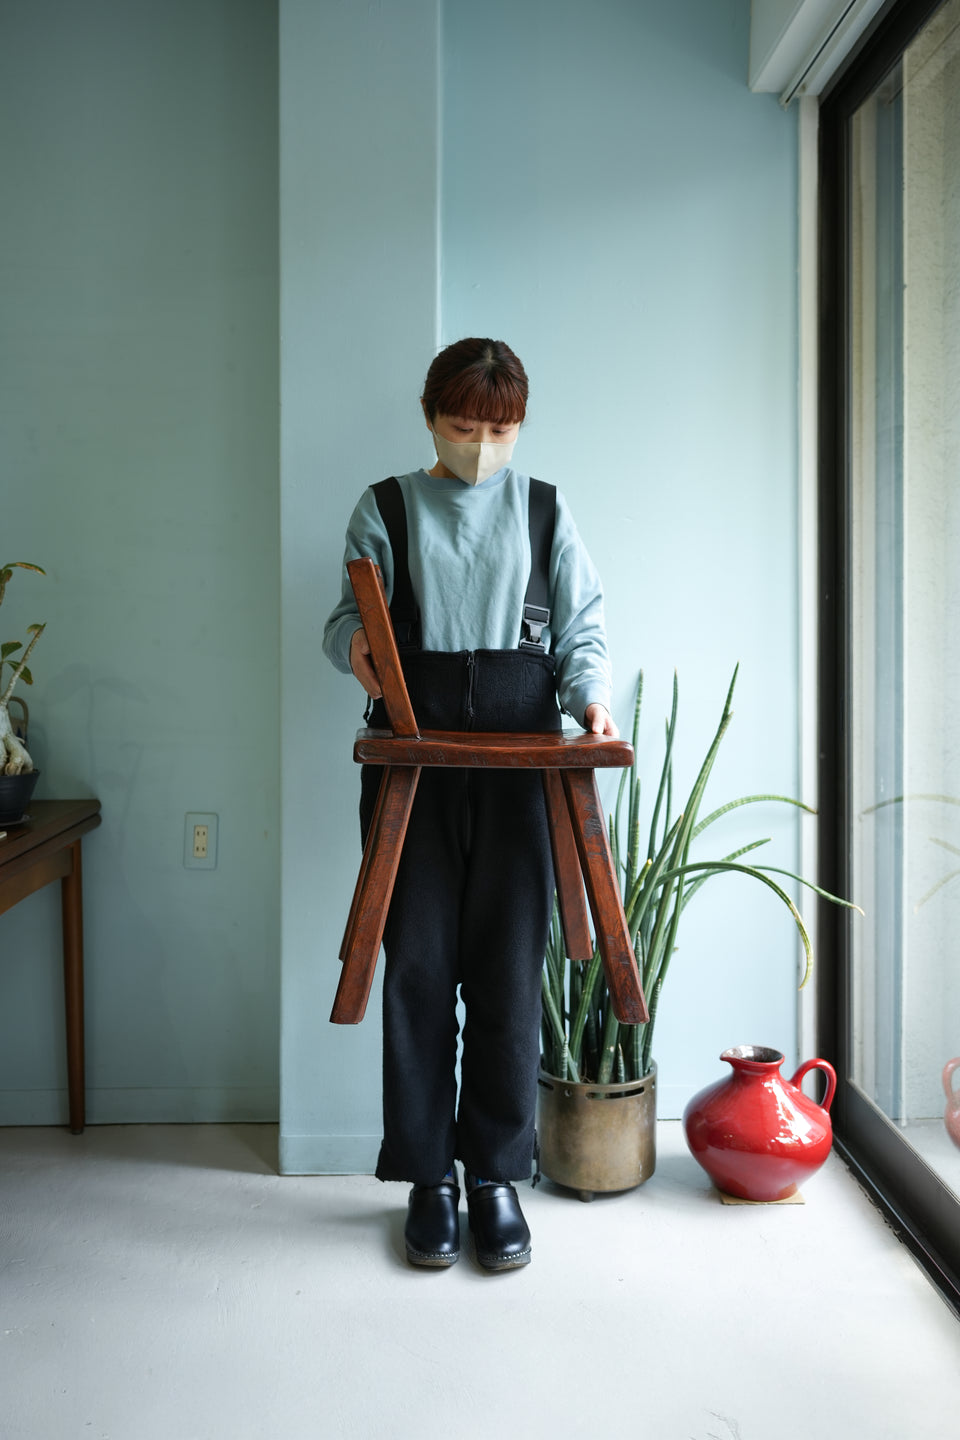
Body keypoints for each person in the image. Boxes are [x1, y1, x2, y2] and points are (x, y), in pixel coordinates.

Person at [323, 337, 616, 1271]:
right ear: (431, 419)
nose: (481, 445)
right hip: (411, 758)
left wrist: (591, 696)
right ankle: (426, 1178)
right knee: (414, 972)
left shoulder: (546, 510)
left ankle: (494, 1177)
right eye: (462, 426)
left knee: (505, 974)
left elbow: (582, 627)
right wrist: (357, 651)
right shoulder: (386, 507)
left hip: (523, 766)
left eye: (499, 428)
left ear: (520, 426)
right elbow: (343, 620)